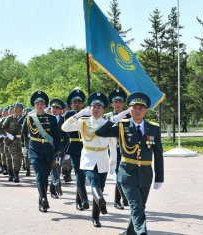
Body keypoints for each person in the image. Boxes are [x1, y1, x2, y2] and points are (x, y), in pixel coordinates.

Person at [95, 92, 164, 235]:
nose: (137, 110)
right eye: (134, 107)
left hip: (145, 173)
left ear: (145, 110)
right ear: (129, 109)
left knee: (140, 206)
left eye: (140, 108)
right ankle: (141, 232)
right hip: (127, 173)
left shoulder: (154, 128)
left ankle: (129, 232)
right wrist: (114, 118)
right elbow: (100, 132)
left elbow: (158, 154)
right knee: (136, 205)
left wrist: (159, 177)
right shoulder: (121, 126)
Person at [62, 92, 117, 228]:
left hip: (103, 158)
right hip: (87, 158)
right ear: (90, 108)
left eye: (99, 106)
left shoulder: (108, 124)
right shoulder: (83, 121)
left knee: (100, 187)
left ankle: (95, 216)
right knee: (94, 181)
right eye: (94, 106)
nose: (96, 109)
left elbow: (113, 146)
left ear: (103, 109)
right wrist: (78, 114)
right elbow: (65, 127)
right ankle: (100, 200)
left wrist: (113, 163)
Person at [21, 90, 61, 212]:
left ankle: (41, 201)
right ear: (34, 105)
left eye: (42, 104)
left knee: (45, 177)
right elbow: (23, 134)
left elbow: (56, 136)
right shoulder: (29, 119)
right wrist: (23, 146)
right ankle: (44, 198)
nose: (40, 105)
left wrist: (58, 152)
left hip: (48, 151)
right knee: (39, 174)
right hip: (35, 150)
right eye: (37, 103)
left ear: (45, 105)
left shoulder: (52, 119)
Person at [63, 87, 90, 211]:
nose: (77, 104)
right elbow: (63, 132)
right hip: (74, 147)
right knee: (79, 174)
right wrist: (64, 150)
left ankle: (78, 200)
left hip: (87, 147)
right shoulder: (69, 115)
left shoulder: (88, 114)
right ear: (71, 104)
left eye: (79, 102)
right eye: (75, 102)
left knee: (83, 175)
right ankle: (84, 199)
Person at [104, 88, 129, 210]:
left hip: (127, 149)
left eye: (120, 101)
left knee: (124, 175)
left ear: (123, 103)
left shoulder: (128, 115)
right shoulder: (107, 116)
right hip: (113, 150)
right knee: (119, 174)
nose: (118, 104)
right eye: (115, 101)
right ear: (112, 103)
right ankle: (121, 199)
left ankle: (120, 199)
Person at [48, 98, 67, 199]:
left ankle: (54, 188)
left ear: (61, 110)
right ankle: (54, 185)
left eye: (57, 108)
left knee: (57, 169)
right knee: (51, 169)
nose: (54, 109)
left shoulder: (64, 120)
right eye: (53, 107)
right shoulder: (46, 119)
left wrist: (67, 151)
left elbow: (67, 136)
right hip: (48, 148)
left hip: (60, 149)